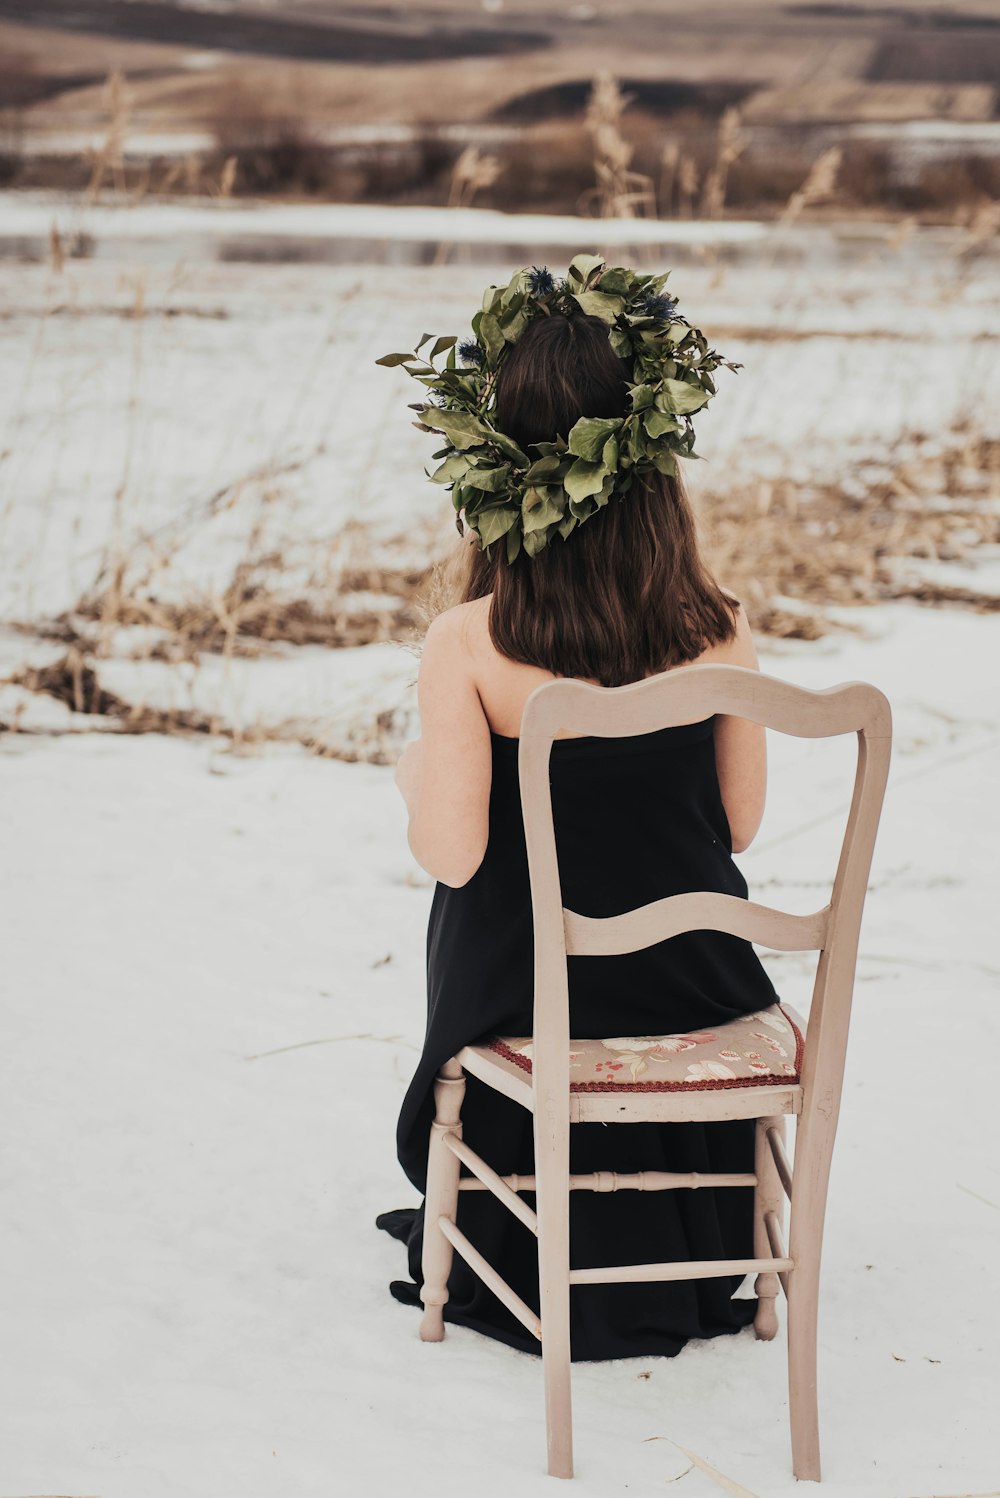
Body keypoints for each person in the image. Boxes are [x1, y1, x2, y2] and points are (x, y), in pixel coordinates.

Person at [376, 259, 785, 1361]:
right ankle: (689, 1232)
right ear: (652, 456)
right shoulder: (720, 624)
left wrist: (416, 778)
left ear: (497, 461)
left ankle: (519, 1216)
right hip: (693, 991)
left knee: (482, 884)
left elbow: (456, 855)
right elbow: (737, 827)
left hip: (536, 1001)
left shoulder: (471, 639)